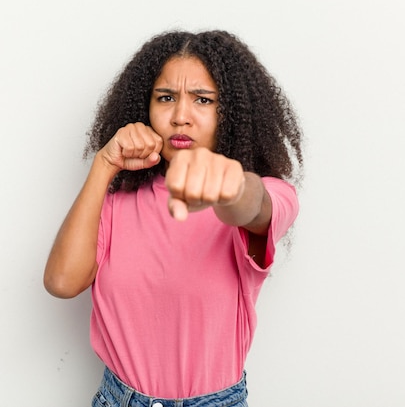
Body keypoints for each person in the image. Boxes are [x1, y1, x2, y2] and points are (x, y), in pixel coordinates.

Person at [44, 29, 303, 407]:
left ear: (231, 112)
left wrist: (230, 186)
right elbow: (62, 282)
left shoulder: (271, 193)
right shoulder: (116, 201)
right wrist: (104, 165)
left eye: (203, 100)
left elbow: (254, 206)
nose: (181, 117)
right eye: (166, 98)